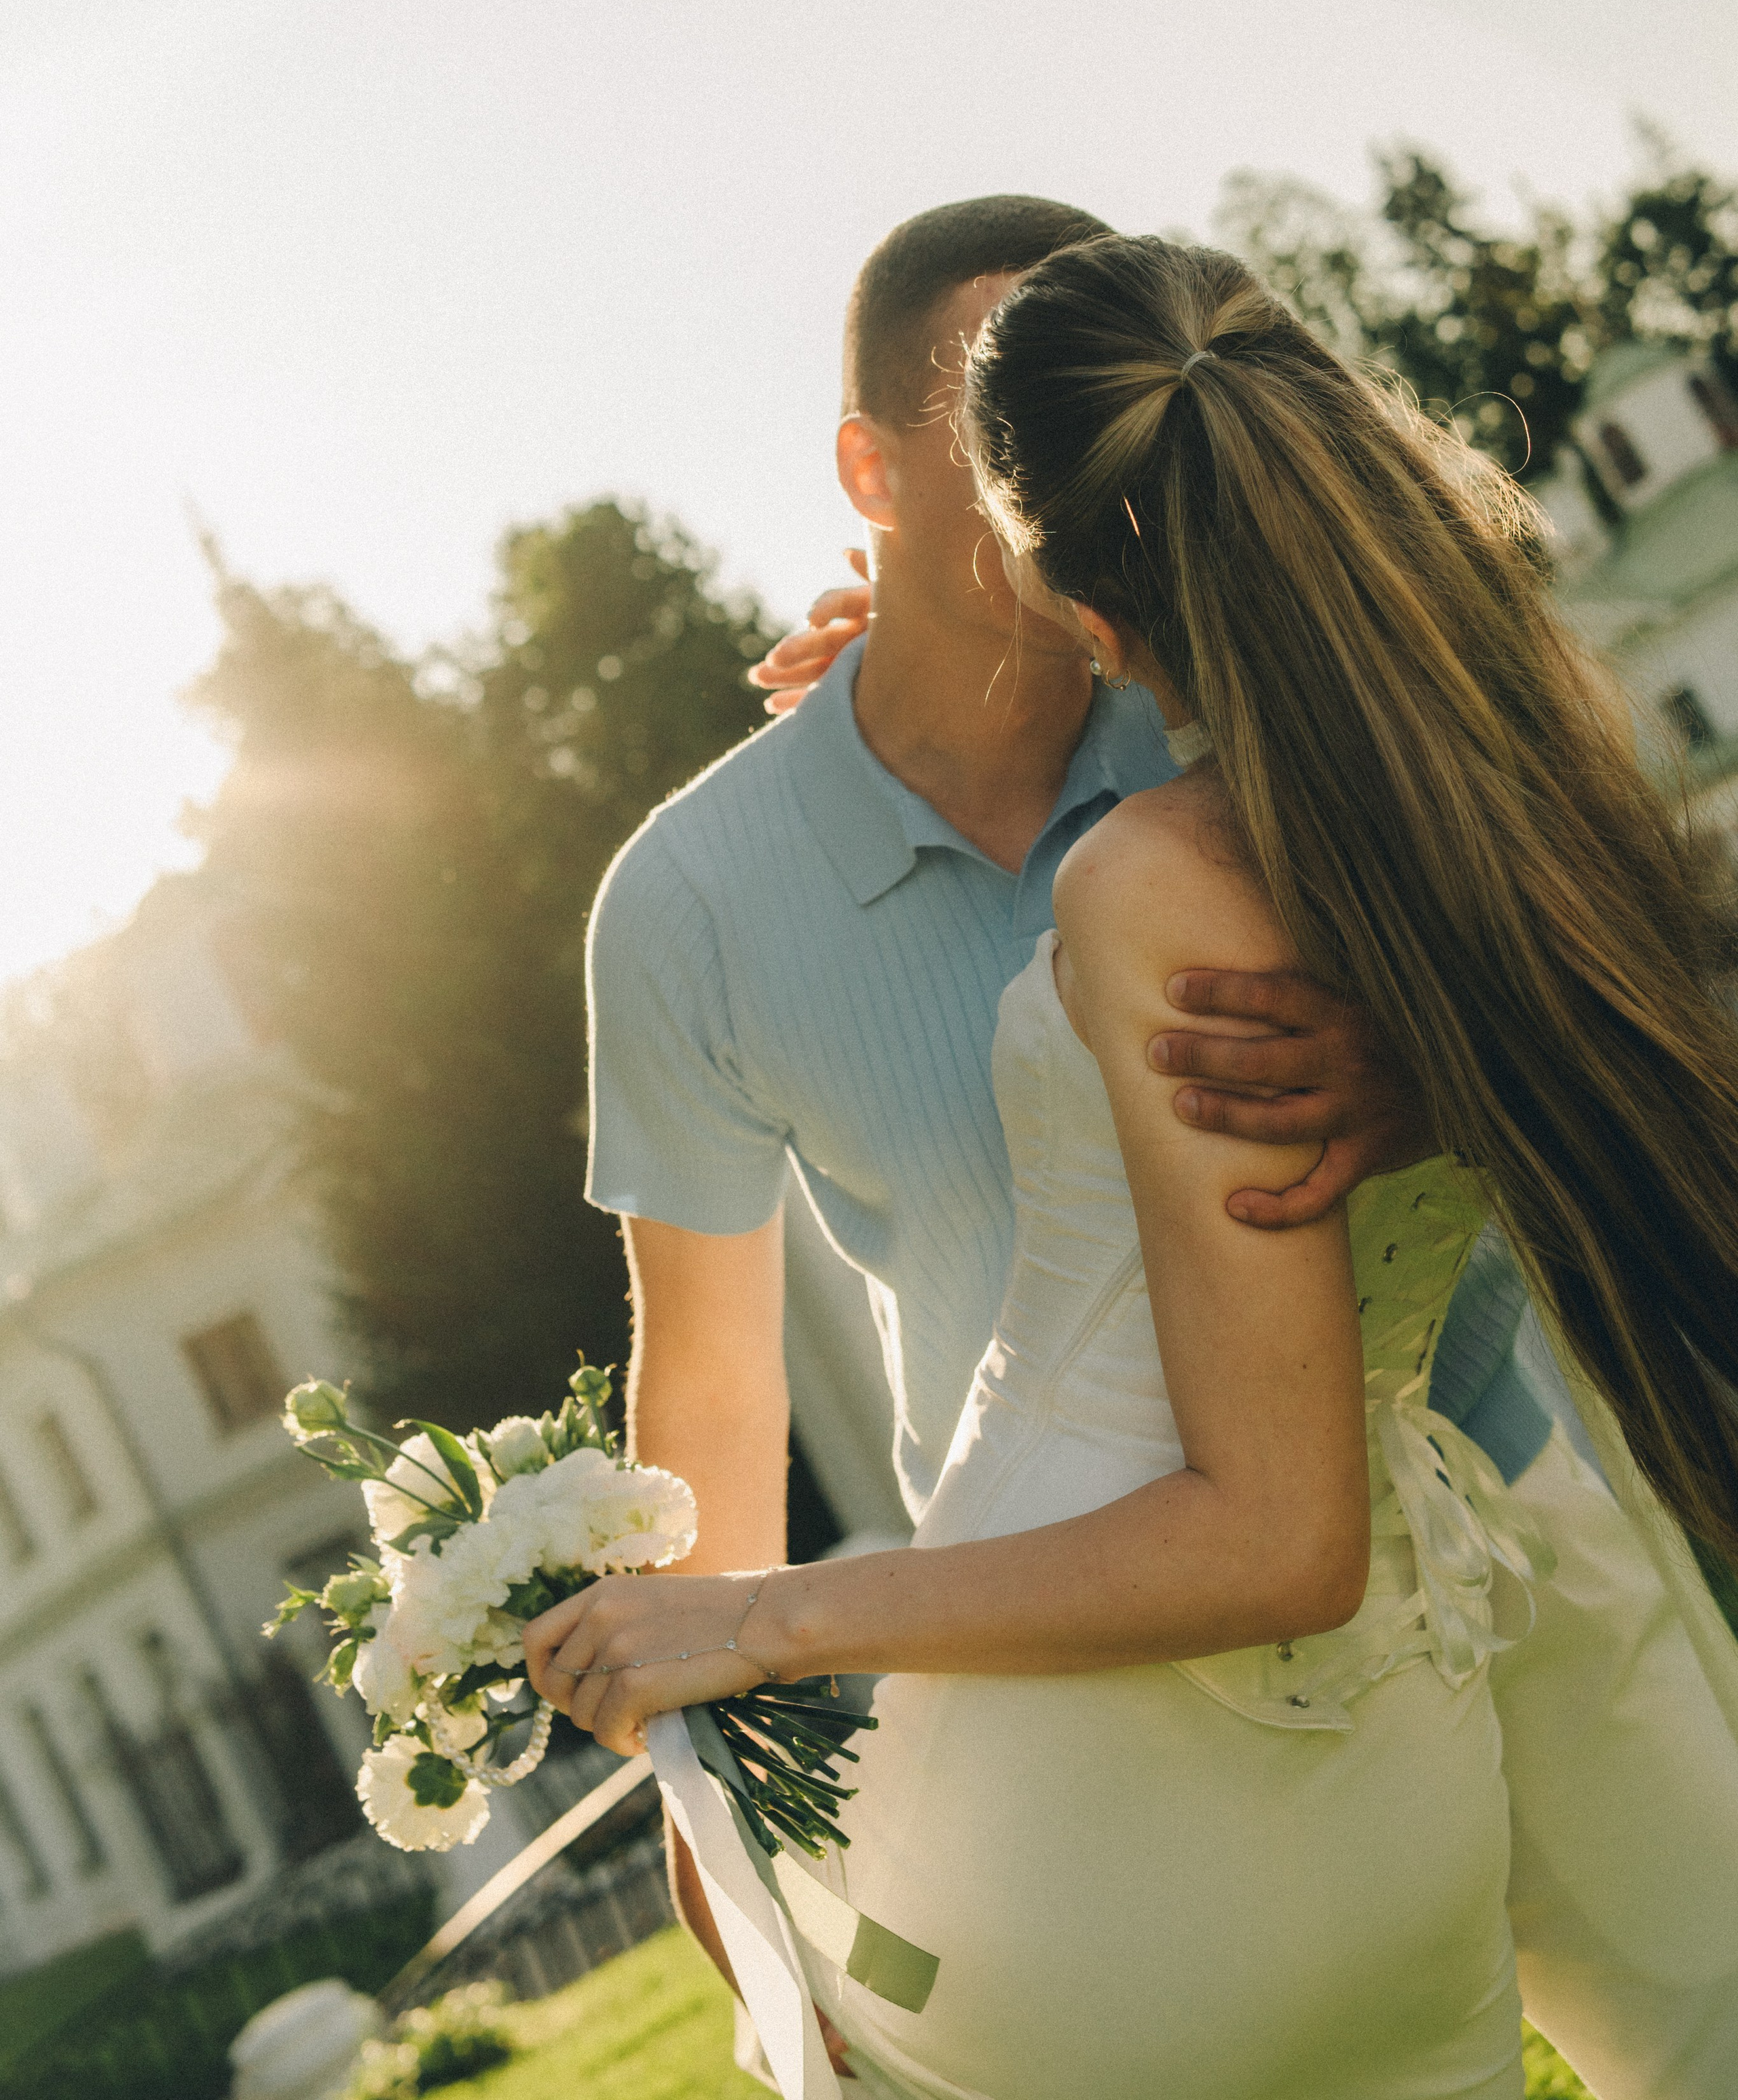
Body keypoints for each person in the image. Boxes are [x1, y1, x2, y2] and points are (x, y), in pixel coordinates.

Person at [549, 208, 1738, 2095]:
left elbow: (1590, 929)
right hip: (1094, 1628)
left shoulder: (1251, 677)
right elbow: (704, 1379)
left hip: (1505, 1514)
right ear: (872, 471)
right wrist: (721, 1788)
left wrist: (1423, 1065)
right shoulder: (691, 900)